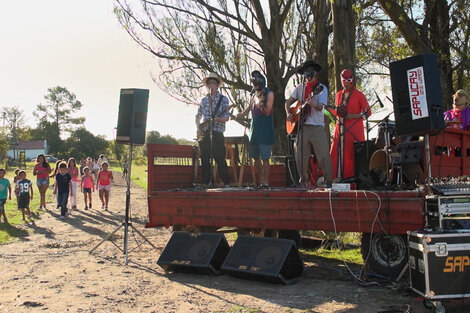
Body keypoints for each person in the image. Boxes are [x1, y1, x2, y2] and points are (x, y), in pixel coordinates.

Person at [285, 60, 332, 187]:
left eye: (309, 73)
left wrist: (313, 104)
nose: (307, 76)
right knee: (300, 155)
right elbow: (288, 102)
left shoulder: (321, 89)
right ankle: (303, 180)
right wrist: (289, 113)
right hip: (302, 126)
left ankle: (328, 181)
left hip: (317, 126)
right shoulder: (300, 88)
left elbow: (320, 107)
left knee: (323, 154)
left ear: (315, 73)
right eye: (305, 74)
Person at [330, 69, 371, 180]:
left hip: (354, 132)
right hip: (340, 131)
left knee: (353, 157)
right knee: (335, 155)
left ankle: (354, 181)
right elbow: (338, 114)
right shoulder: (338, 95)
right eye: (344, 80)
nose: (346, 82)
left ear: (352, 79)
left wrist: (352, 116)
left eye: (349, 79)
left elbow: (368, 113)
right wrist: (329, 111)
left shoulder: (359, 95)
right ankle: (337, 179)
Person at [237, 70, 275, 187]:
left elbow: (267, 112)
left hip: (265, 128)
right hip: (254, 129)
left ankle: (266, 181)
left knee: (265, 157)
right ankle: (261, 178)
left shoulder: (269, 93)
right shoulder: (254, 95)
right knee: (254, 155)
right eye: (253, 82)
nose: (255, 84)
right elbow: (248, 109)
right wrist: (238, 115)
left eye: (257, 81)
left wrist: (261, 104)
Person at [195, 72, 231, 187]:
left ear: (217, 85)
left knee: (220, 158)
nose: (211, 85)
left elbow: (227, 117)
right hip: (205, 132)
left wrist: (218, 119)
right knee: (204, 157)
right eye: (209, 83)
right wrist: (198, 128)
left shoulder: (223, 99)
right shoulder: (204, 100)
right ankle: (207, 182)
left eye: (213, 83)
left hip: (218, 132)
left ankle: (226, 183)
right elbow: (198, 116)